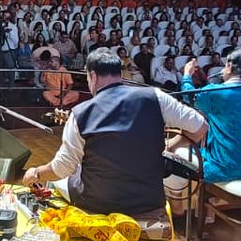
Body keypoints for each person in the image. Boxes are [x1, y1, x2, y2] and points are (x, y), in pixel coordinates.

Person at [22, 48, 207, 217]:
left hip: (97, 203)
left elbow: (61, 168)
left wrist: (36, 172)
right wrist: (171, 145)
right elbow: (200, 126)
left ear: (92, 76)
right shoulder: (156, 97)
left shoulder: (80, 113)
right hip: (148, 201)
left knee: (56, 180)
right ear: (120, 74)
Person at [173, 49, 241, 184]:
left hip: (225, 170)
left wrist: (187, 75)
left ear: (230, 66)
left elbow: (188, 95)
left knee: (177, 151)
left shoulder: (217, 92)